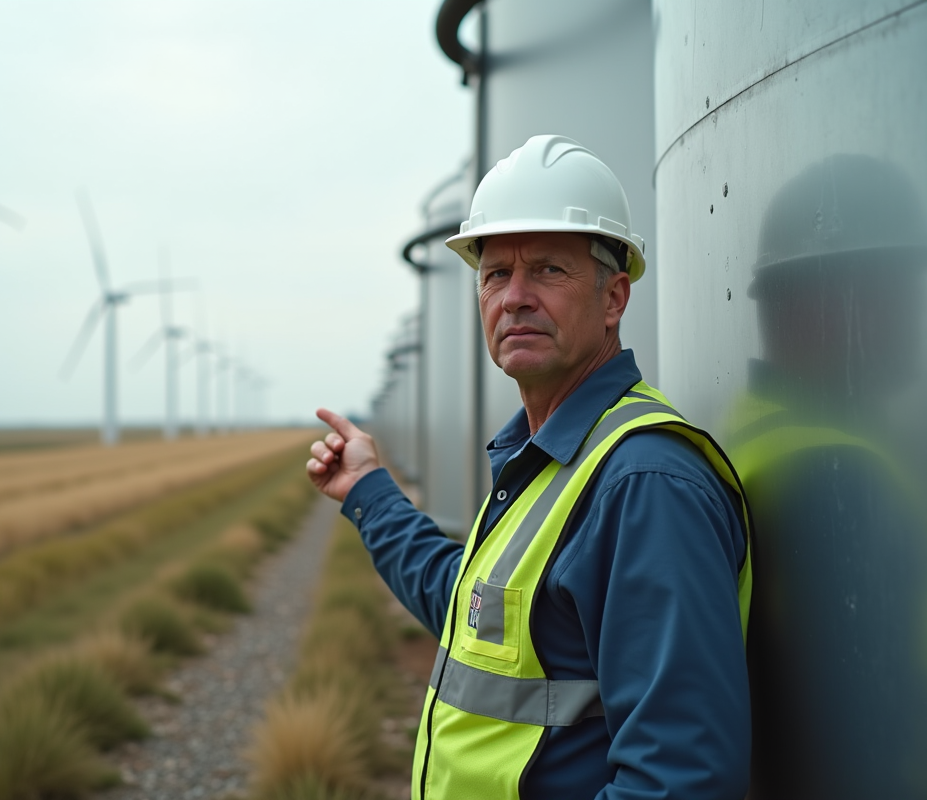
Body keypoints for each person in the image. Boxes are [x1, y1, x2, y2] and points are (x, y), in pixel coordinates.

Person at [307, 135, 753, 800]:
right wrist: (369, 491)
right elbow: (475, 612)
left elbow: (678, 779)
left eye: (548, 269)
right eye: (495, 274)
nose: (514, 297)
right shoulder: (545, 460)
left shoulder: (644, 485)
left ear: (613, 299)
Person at [727, 155, 927, 800]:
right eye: (894, 286)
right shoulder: (836, 474)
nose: (910, 313)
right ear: (818, 303)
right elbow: (854, 738)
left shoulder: (754, 431)